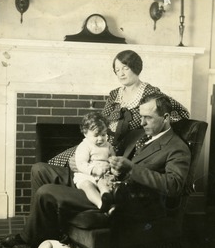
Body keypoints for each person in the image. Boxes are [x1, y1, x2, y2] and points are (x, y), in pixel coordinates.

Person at [1, 94, 191, 248]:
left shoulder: (177, 148)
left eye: (148, 118)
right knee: (39, 169)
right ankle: (47, 232)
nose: (141, 122)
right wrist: (78, 164)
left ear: (165, 118)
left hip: (119, 196)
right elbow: (103, 151)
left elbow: (174, 186)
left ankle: (31, 239)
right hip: (98, 176)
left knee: (46, 191)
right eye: (141, 116)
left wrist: (131, 170)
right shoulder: (140, 135)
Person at [49, 49, 189, 166]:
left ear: (135, 67)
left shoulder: (150, 93)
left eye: (125, 68)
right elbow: (101, 123)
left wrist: (153, 132)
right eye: (117, 70)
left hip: (129, 149)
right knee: (57, 162)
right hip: (102, 143)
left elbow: (182, 113)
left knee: (81, 165)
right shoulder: (115, 94)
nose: (120, 73)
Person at [73, 111, 116, 214]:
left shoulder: (108, 146)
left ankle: (106, 197)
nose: (100, 138)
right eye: (96, 135)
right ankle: (101, 204)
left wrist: (112, 165)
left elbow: (113, 158)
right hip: (86, 175)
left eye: (103, 134)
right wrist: (94, 170)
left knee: (103, 183)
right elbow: (81, 164)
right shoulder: (85, 146)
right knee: (88, 186)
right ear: (85, 133)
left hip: (102, 175)